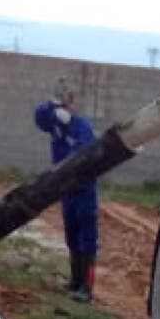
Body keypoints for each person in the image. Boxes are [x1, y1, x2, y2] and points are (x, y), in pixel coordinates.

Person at [34, 79, 98, 302]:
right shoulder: (56, 122)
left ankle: (87, 288)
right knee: (71, 232)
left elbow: (85, 153)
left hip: (83, 187)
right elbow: (39, 118)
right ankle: (75, 280)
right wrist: (51, 106)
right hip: (66, 188)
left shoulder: (81, 127)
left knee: (86, 236)